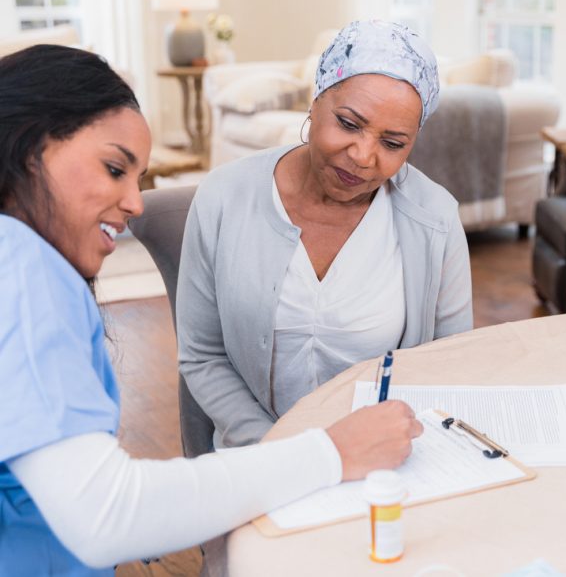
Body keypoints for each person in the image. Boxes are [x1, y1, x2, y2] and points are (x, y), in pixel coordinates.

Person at [0, 44, 423, 576]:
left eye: (138, 179)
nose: (135, 203)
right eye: (114, 168)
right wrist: (333, 451)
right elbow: (105, 514)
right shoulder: (20, 266)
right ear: (24, 145)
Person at [178, 19, 473, 450]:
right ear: (315, 102)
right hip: (260, 458)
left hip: (386, 461)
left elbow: (450, 362)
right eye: (349, 123)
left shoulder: (436, 218)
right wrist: (281, 450)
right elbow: (203, 355)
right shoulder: (223, 197)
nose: (363, 156)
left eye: (393, 143)